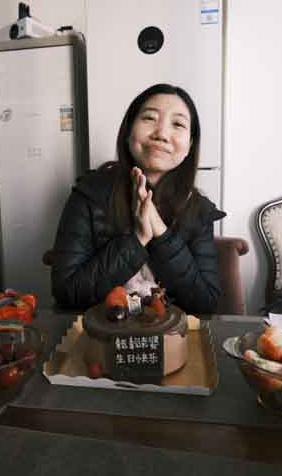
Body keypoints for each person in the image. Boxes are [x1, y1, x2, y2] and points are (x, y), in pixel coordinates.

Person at [51, 83, 225, 314]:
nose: (161, 134)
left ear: (189, 146)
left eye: (178, 124)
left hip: (171, 333)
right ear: (128, 131)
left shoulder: (198, 209)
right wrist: (138, 238)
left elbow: (205, 303)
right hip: (102, 332)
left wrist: (160, 232)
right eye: (149, 118)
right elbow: (66, 292)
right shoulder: (90, 194)